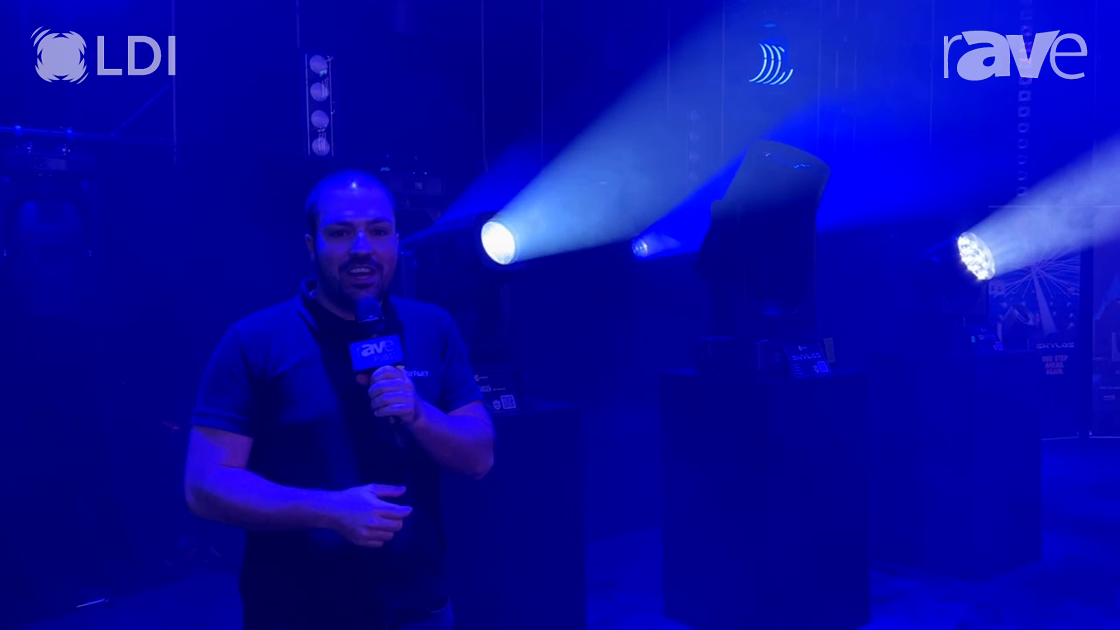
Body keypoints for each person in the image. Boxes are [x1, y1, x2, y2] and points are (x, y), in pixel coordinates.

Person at [184, 170, 494, 629]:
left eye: (379, 231)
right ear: (311, 245)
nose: (362, 248)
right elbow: (204, 485)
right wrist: (329, 511)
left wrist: (419, 414)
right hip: (296, 612)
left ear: (397, 242)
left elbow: (480, 457)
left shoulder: (432, 327)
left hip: (418, 607)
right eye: (341, 232)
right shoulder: (255, 341)